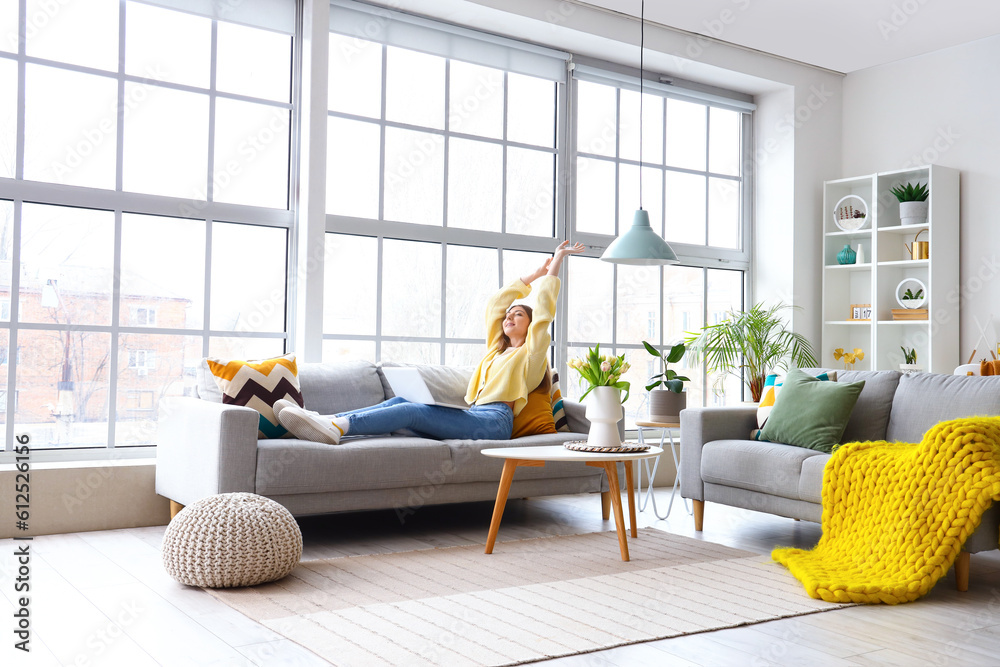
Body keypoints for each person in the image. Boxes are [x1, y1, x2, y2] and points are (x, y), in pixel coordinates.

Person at [275, 240, 586, 444]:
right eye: (509, 315)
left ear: (530, 327)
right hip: (476, 413)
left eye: (518, 315)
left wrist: (556, 262)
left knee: (412, 411)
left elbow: (544, 313)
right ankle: (328, 421)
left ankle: (336, 428)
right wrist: (530, 276)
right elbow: (495, 304)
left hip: (495, 423)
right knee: (401, 403)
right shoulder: (496, 350)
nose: (508, 317)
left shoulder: (530, 356)